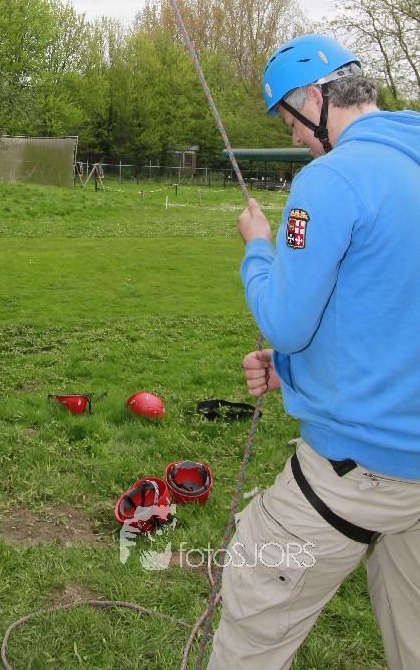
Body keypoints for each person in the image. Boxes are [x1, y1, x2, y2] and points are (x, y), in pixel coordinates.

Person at [209, 34, 420, 670]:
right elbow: (387, 303)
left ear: (313, 99)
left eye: (289, 121)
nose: (297, 137)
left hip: (360, 466)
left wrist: (258, 246)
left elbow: (285, 322)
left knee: (255, 610)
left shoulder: (329, 179)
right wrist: (295, 371)